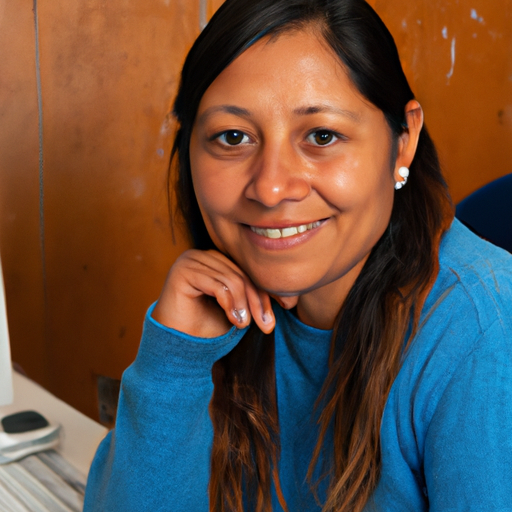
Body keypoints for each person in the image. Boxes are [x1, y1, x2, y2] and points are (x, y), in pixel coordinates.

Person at [83, 0, 512, 510]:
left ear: (403, 141)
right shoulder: (218, 306)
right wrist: (173, 365)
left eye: (322, 136)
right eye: (233, 137)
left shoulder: (483, 331)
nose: (270, 187)